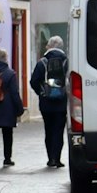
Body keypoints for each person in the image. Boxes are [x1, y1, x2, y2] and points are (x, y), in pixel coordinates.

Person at [30, 35, 71, 169]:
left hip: (46, 104)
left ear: (50, 46)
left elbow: (34, 81)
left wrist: (42, 93)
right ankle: (57, 159)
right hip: (61, 103)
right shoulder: (67, 62)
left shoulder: (42, 62)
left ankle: (50, 159)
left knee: (48, 130)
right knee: (59, 131)